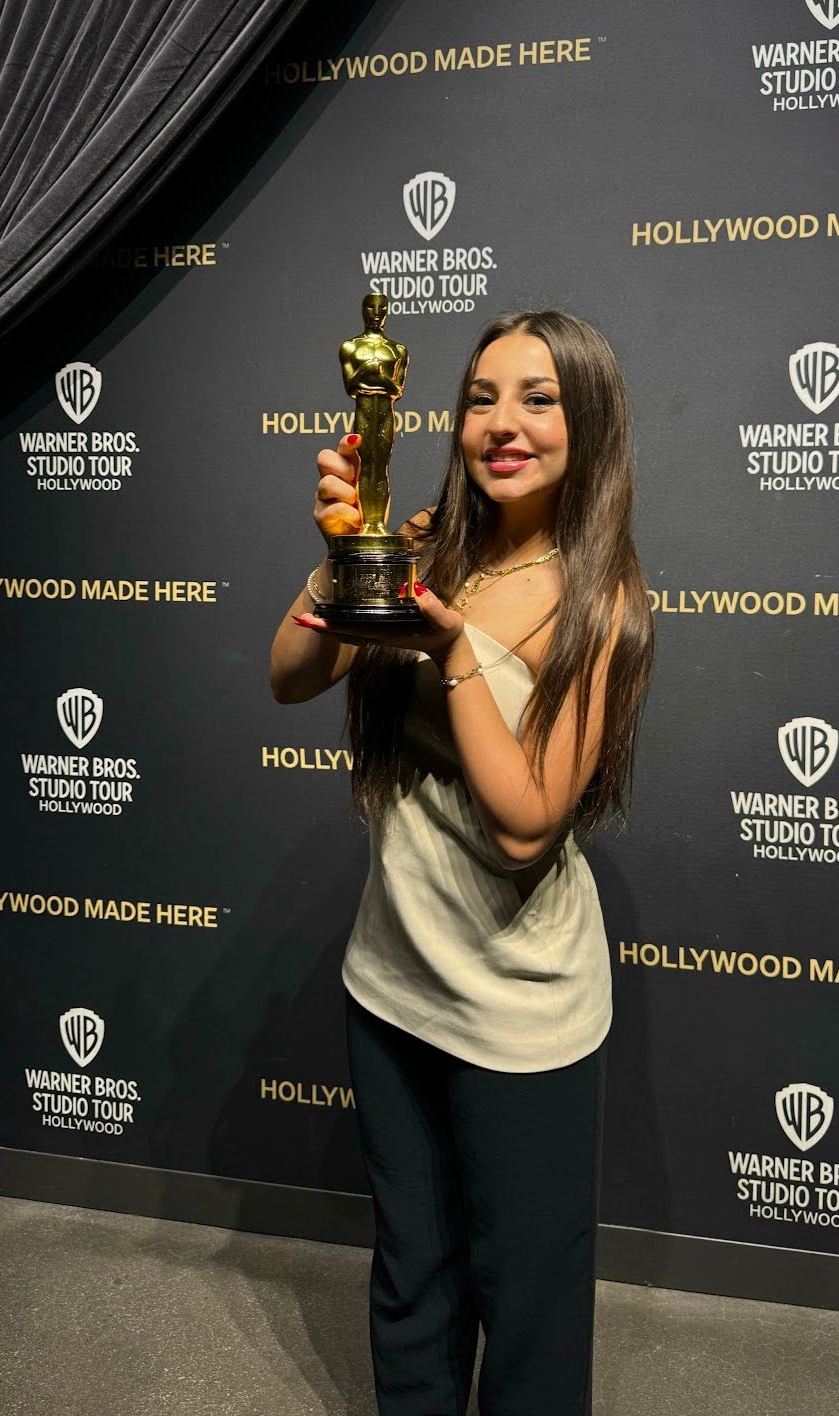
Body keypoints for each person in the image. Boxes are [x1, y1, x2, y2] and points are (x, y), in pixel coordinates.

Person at [268, 309, 655, 1416]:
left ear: (590, 423)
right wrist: (347, 552)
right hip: (392, 982)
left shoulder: (601, 601)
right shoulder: (431, 540)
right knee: (411, 1279)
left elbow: (527, 822)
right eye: (483, 396)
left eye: (538, 398)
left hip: (520, 1018)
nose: (504, 422)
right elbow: (291, 673)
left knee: (525, 1303)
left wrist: (450, 651)